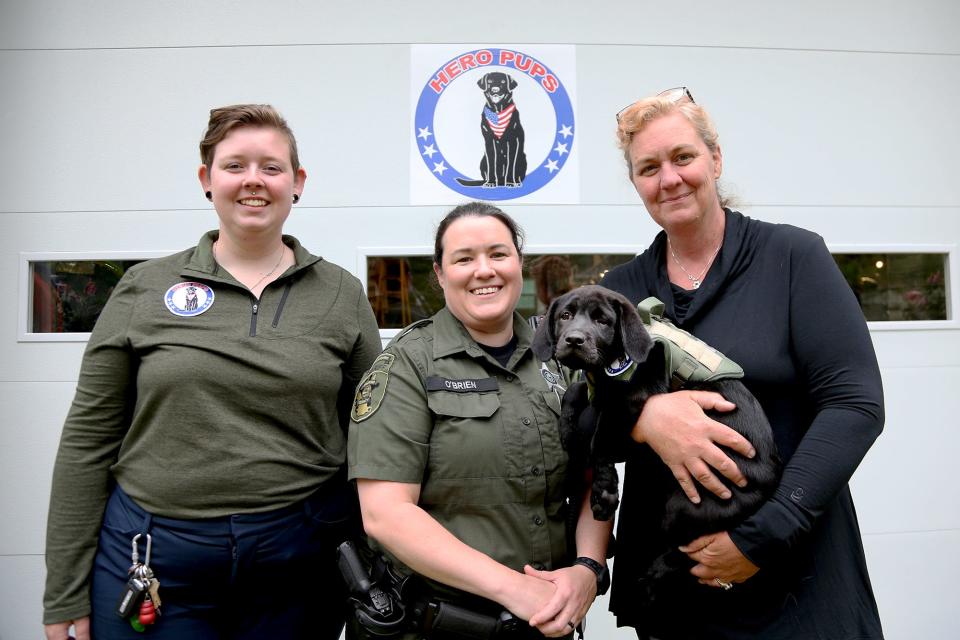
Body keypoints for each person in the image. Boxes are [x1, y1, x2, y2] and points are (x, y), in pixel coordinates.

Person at [43, 104, 382, 640]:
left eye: (271, 167)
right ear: (207, 180)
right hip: (155, 557)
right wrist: (63, 589)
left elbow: (374, 435)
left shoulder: (340, 292)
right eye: (235, 165)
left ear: (297, 183)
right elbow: (89, 437)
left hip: (298, 560)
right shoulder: (145, 288)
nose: (254, 180)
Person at [602, 87, 885, 638]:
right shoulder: (621, 291)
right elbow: (585, 422)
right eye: (648, 168)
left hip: (797, 577)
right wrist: (643, 418)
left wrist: (764, 535)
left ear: (715, 158)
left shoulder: (791, 258)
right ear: (635, 183)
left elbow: (855, 403)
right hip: (677, 587)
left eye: (683, 157)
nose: (669, 178)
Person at [347, 202, 612, 639]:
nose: (483, 270)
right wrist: (514, 590)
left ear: (518, 263)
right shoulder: (407, 366)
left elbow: (594, 481)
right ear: (439, 273)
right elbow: (385, 514)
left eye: (498, 254)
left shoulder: (561, 361)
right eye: (464, 258)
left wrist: (588, 569)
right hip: (440, 627)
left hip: (547, 626)